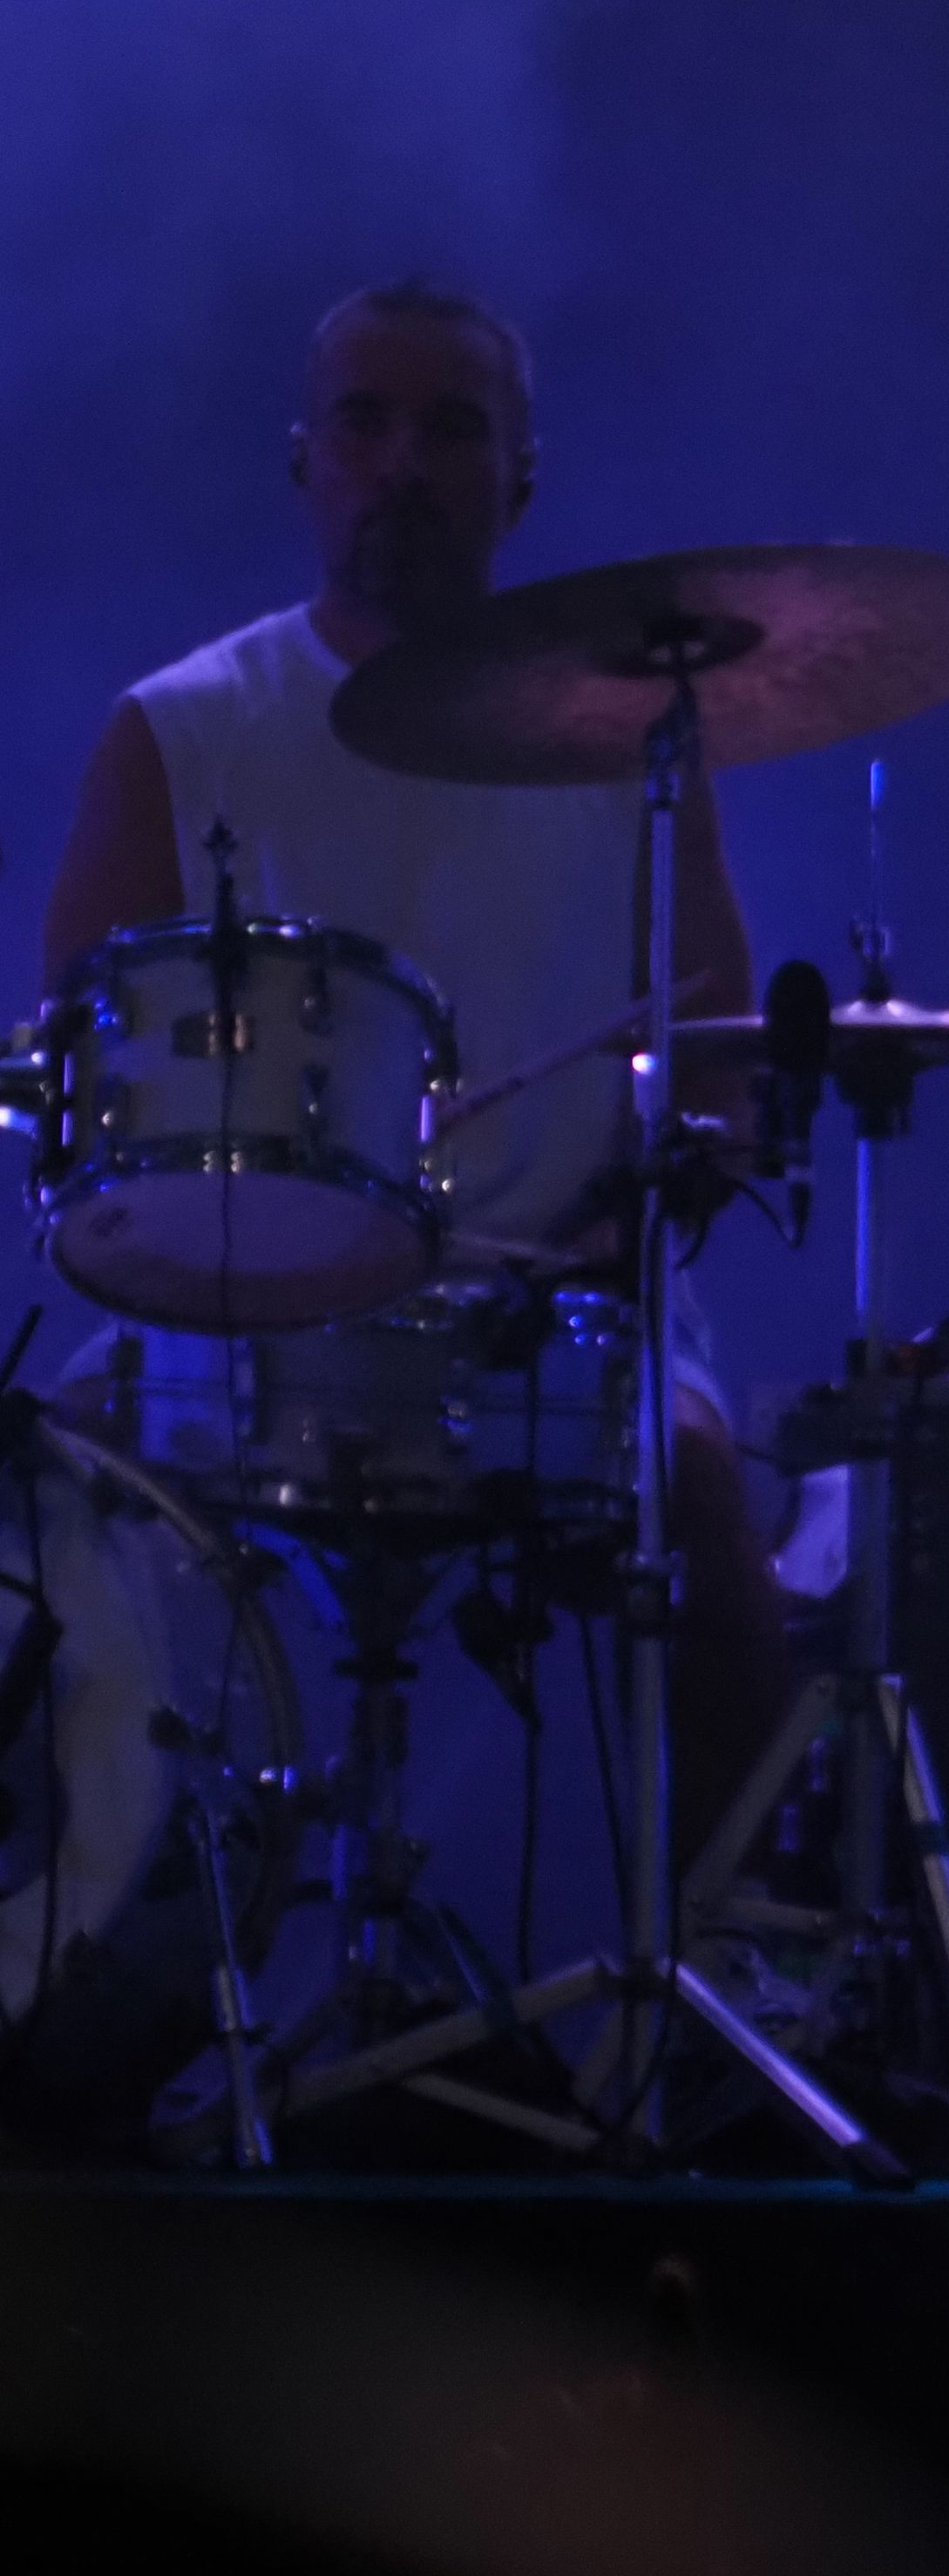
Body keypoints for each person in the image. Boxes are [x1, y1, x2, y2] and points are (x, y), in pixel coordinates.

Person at [35, 276, 789, 1829]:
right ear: (303, 457)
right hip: (241, 1317)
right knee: (35, 1516)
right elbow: (83, 1075)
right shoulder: (181, 730)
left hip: (557, 1310)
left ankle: (750, 1966)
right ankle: (94, 2005)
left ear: (521, 474)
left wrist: (638, 1214)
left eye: (453, 428)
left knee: (704, 1514)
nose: (405, 462)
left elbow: (712, 1051)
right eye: (366, 422)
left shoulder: (632, 744)